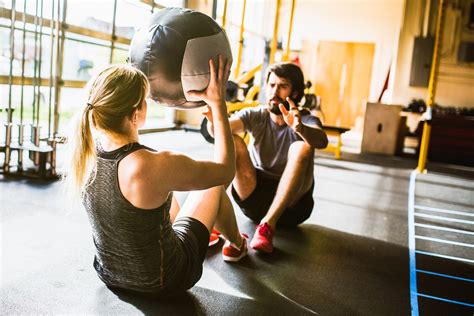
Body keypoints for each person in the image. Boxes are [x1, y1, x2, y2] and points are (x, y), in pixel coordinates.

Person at [65, 56, 248, 297]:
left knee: (163, 195)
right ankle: (237, 243)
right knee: (211, 186)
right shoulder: (154, 164)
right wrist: (218, 106)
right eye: (144, 100)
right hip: (166, 281)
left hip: (109, 276)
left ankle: (214, 232)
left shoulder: (84, 153)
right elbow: (225, 170)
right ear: (135, 114)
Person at [206, 62, 328, 253]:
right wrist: (215, 110)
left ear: (295, 93)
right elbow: (217, 131)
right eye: (271, 85)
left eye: (282, 86)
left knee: (302, 147)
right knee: (234, 140)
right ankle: (211, 217)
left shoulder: (304, 118)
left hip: (293, 207)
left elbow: (322, 141)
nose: (274, 91)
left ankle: (267, 226)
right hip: (255, 198)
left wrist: (301, 129)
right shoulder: (256, 115)